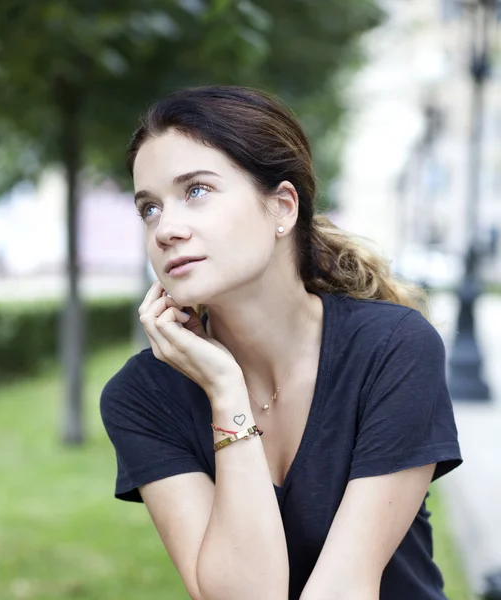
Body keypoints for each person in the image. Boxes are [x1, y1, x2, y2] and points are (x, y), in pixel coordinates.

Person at [100, 85, 462, 600]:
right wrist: (227, 392)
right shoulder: (142, 395)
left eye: (196, 191)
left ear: (283, 207)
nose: (166, 230)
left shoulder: (392, 349)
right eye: (149, 209)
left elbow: (346, 589)